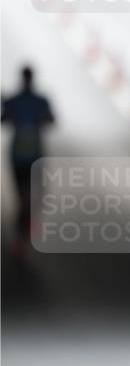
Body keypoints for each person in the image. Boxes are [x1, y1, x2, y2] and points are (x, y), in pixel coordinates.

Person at [1, 65, 55, 253]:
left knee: (25, 196)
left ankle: (23, 230)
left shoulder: (14, 101)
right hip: (32, 156)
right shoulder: (40, 101)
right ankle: (22, 233)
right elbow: (51, 121)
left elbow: (4, 120)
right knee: (30, 196)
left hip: (19, 156)